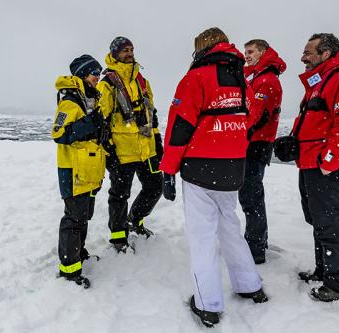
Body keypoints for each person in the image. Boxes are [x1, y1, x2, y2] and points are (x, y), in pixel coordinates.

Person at [160, 27, 267, 328]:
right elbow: (248, 119)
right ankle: (249, 285)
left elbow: (179, 127)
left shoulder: (195, 78)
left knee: (202, 235)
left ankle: (207, 304)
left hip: (200, 168)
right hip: (233, 166)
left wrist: (168, 169)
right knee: (229, 224)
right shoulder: (242, 80)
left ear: (201, 48)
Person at [293, 33, 339, 301]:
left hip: (324, 165)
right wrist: (294, 143)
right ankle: (324, 270)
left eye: (308, 52)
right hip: (310, 162)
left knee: (329, 220)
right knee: (318, 219)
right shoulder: (320, 82)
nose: (303, 57)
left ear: (325, 53)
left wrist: (328, 163)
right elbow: (315, 121)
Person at [97, 37, 163, 252]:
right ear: (114, 53)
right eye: (125, 50)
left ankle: (135, 220)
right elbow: (102, 120)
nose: (130, 53)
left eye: (131, 49)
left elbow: (151, 113)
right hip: (122, 152)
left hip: (146, 149)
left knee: (155, 188)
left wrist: (157, 140)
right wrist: (109, 152)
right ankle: (118, 238)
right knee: (119, 196)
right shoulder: (107, 84)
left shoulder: (142, 81)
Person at [51, 54, 108, 288]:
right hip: (72, 169)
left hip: (87, 169)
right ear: (83, 75)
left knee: (83, 215)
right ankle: (69, 270)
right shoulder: (69, 102)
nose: (97, 78)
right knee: (74, 217)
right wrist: (91, 122)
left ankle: (79, 253)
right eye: (94, 73)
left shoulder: (89, 100)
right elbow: (59, 133)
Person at [239, 39, 286, 264]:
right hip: (252, 143)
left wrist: (236, 132)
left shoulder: (266, 80)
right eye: (245, 51)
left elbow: (254, 116)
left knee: (251, 196)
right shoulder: (255, 76)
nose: (246, 55)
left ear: (263, 52)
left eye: (251, 51)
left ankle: (255, 247)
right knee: (250, 194)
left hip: (256, 144)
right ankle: (257, 240)